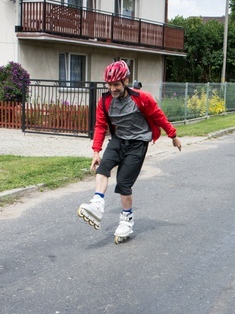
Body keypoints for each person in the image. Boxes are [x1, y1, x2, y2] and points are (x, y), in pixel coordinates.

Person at [77, 60, 181, 243]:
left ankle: (127, 220)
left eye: (116, 84)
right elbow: (100, 126)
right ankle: (97, 204)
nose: (113, 88)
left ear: (125, 81)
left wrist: (173, 135)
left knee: (123, 183)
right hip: (118, 140)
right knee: (103, 168)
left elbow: (159, 116)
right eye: (109, 85)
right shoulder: (105, 101)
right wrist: (96, 151)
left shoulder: (141, 98)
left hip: (138, 143)